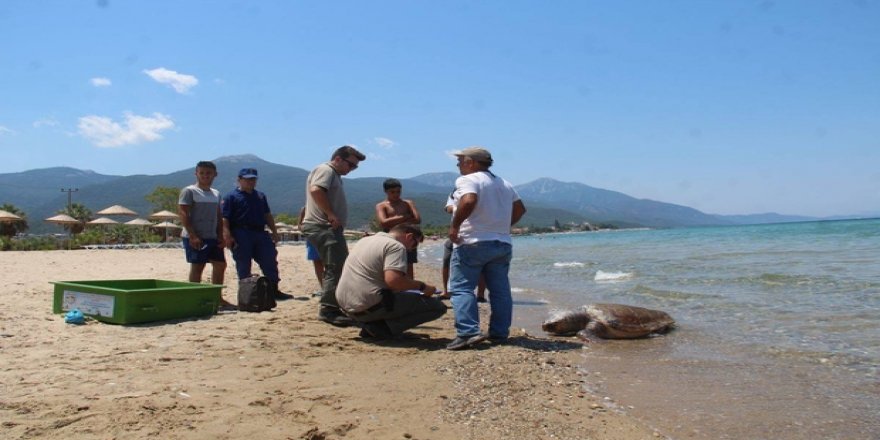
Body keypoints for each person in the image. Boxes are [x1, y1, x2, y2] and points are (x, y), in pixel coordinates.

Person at [446, 147, 527, 350]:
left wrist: (455, 226)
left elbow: (469, 200)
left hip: (473, 241)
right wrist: (502, 226)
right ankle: (499, 332)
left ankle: (468, 333)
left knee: (462, 287)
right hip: (501, 243)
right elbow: (520, 209)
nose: (458, 166)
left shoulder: (468, 179)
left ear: (470, 162)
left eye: (460, 161)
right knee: (500, 291)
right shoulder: (504, 183)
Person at [336, 224, 445, 340]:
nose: (411, 249)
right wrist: (423, 287)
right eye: (415, 244)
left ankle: (376, 326)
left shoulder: (365, 240)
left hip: (346, 305)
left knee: (395, 296)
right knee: (437, 307)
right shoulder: (396, 246)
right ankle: (384, 328)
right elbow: (394, 281)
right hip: (366, 307)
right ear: (409, 236)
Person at [301, 145, 366, 326]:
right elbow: (316, 190)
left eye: (355, 167)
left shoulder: (332, 173)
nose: (352, 169)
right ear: (338, 159)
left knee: (337, 266)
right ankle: (329, 309)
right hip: (324, 226)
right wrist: (330, 214)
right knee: (335, 267)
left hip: (325, 227)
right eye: (351, 165)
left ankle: (333, 306)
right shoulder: (326, 170)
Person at [221, 167, 293, 300]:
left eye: (253, 179)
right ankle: (247, 294)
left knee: (270, 260)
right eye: (247, 179)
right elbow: (225, 217)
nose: (250, 182)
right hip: (241, 232)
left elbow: (267, 214)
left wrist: (274, 231)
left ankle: (273, 290)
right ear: (239, 180)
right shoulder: (231, 197)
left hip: (260, 232)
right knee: (243, 264)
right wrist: (227, 234)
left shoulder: (260, 196)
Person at [178, 161, 228, 294]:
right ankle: (194, 296)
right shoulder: (189, 191)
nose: (205, 175)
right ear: (196, 174)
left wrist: (220, 236)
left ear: (215, 174)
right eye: (202, 173)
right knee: (198, 267)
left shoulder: (216, 193)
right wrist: (193, 236)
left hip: (212, 236)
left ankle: (216, 296)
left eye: (208, 173)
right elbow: (183, 213)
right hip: (195, 236)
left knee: (220, 265)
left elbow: (218, 216)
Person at [375, 178, 421, 278]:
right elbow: (383, 222)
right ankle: (395, 286)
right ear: (386, 191)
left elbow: (417, 219)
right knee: (391, 263)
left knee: (409, 263)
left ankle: (410, 288)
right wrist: (404, 217)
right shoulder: (382, 206)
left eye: (398, 192)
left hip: (408, 238)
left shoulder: (408, 203)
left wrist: (393, 220)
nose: (396, 194)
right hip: (390, 238)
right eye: (392, 192)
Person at [298, 206, 324, 294]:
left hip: (325, 236)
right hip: (312, 238)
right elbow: (300, 225)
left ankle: (329, 287)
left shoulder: (327, 205)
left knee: (328, 263)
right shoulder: (305, 208)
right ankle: (323, 287)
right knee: (317, 263)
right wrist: (307, 230)